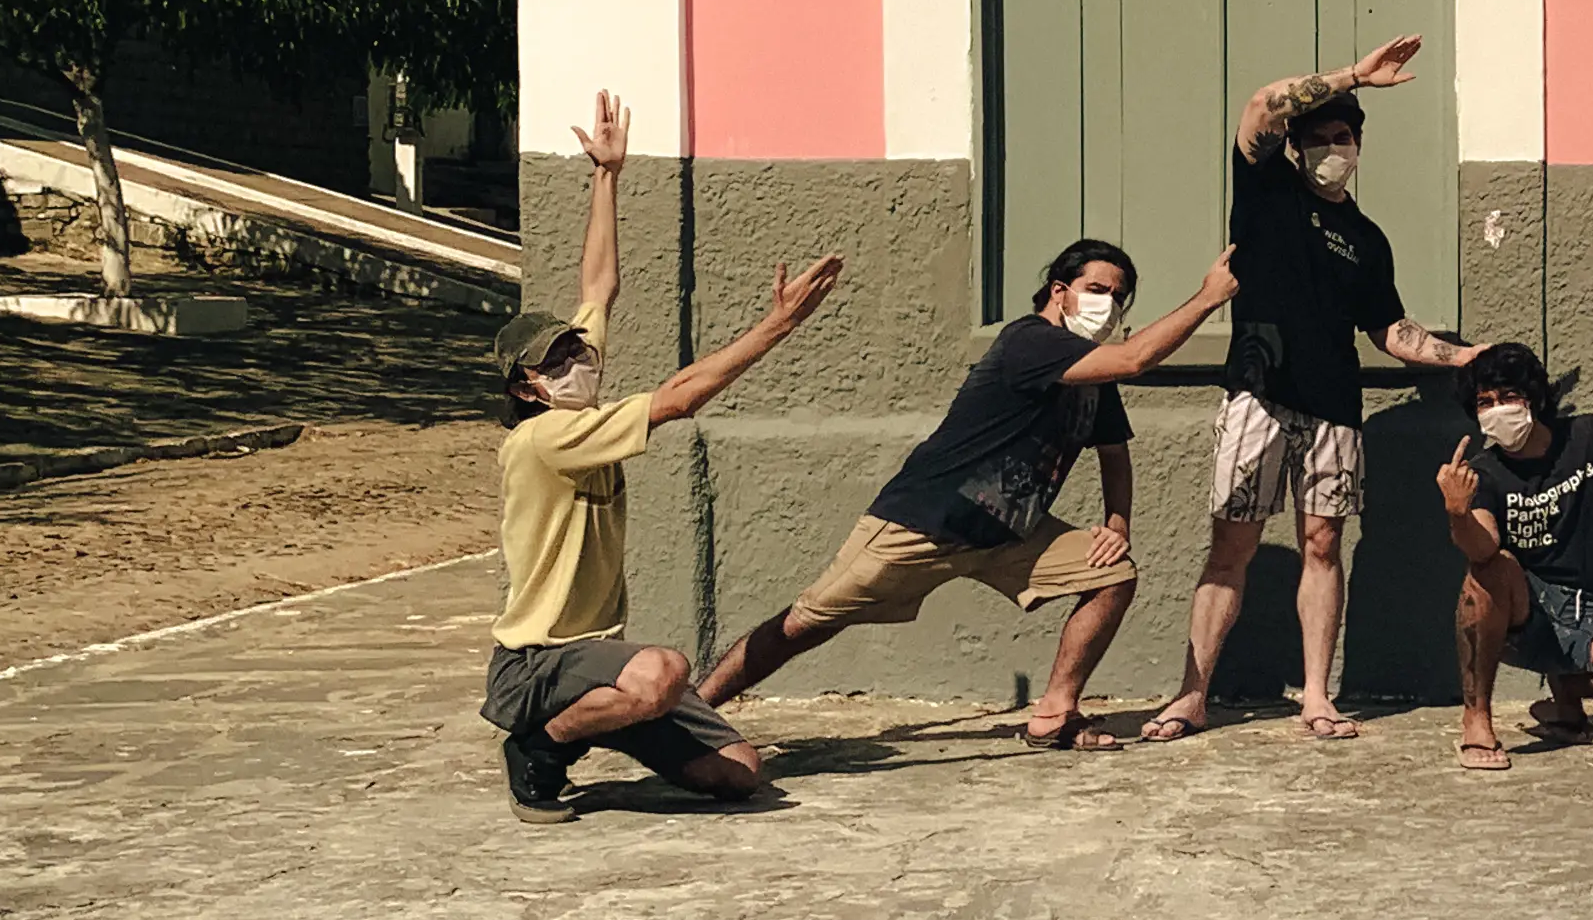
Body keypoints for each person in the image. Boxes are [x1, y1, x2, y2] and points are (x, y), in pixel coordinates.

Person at [694, 236, 1238, 748]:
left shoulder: (1090, 373)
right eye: (1098, 290)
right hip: (925, 521)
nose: (1110, 305)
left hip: (1007, 533)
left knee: (1112, 575)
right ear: (1060, 291)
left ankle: (1054, 712)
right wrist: (1208, 299)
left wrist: (1117, 524)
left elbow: (1113, 453)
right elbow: (1134, 358)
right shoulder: (1032, 341)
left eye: (1119, 298)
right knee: (804, 624)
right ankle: (690, 712)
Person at [485, 90, 841, 823]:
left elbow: (598, 287)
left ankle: (607, 723)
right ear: (525, 385)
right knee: (665, 671)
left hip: (594, 657)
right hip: (536, 663)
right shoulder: (544, 437)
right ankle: (541, 746)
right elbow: (679, 398)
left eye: (575, 349)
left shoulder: (573, 402)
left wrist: (607, 175)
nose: (576, 360)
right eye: (554, 361)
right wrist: (774, 327)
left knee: (742, 774)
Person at [1141, 34, 1481, 744]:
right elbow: (1263, 103)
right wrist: (1354, 75)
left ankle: (1318, 698)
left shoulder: (1368, 238)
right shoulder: (1265, 187)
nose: (1336, 146)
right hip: (1257, 397)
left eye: (1345, 136)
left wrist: (1465, 355)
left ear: (1359, 147)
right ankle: (1191, 694)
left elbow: (1391, 331)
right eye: (1322, 136)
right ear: (1295, 147)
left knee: (1323, 545)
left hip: (1336, 412)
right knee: (1230, 548)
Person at [1435, 339, 1593, 771]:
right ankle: (1477, 719)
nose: (1498, 409)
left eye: (1509, 397)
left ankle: (1568, 692)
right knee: (1491, 569)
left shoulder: (1590, 437)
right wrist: (1457, 513)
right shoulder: (1484, 471)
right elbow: (1484, 548)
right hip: (1524, 611)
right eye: (1485, 402)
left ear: (1534, 398)